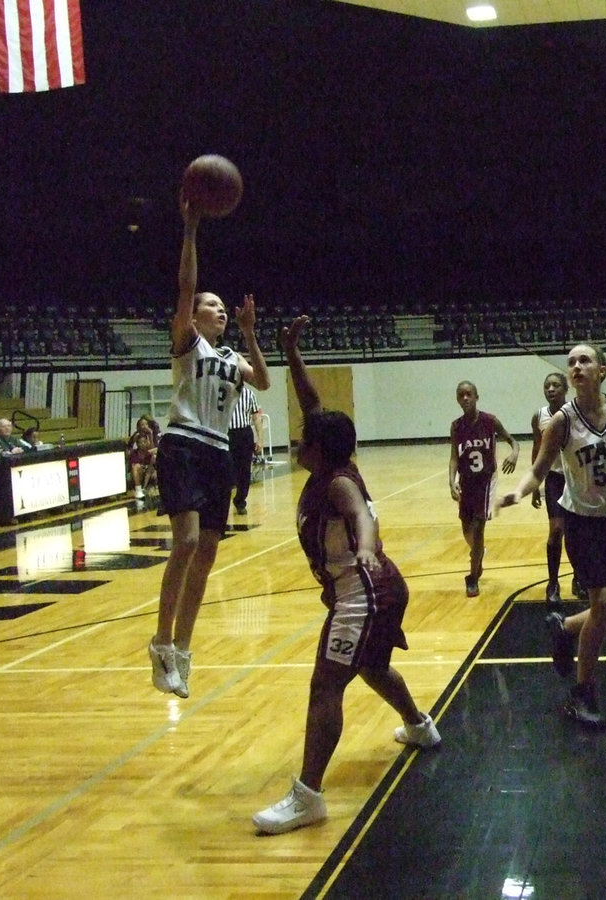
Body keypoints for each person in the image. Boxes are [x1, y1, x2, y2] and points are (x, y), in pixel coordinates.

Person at [252, 315, 440, 836]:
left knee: (325, 685)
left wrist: (365, 548)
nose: (297, 436)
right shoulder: (328, 460)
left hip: (364, 589)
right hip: (378, 587)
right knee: (372, 667)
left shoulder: (337, 482)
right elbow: (313, 401)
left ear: (318, 447)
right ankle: (420, 726)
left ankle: (307, 795)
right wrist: (291, 351)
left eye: (303, 436)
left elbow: (359, 513)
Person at [148, 194, 271, 699]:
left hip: (218, 451)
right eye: (212, 306)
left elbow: (262, 381)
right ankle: (159, 643)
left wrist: (250, 333)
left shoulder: (229, 354)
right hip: (182, 445)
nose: (219, 310)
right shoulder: (188, 342)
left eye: (223, 307)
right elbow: (185, 285)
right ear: (194, 317)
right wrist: (191, 229)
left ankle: (182, 646)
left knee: (208, 553)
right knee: (188, 543)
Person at [496, 343, 606, 728]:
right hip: (584, 523)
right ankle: (582, 694)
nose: (577, 366)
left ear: (602, 370)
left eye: (585, 360)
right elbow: (539, 468)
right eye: (571, 362)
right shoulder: (562, 421)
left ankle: (563, 628)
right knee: (604, 606)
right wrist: (517, 492)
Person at [449, 380, 519, 597]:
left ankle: (472, 577)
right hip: (467, 481)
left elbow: (512, 441)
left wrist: (514, 453)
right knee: (466, 528)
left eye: (469, 394)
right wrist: (451, 482)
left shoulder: (490, 421)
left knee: (479, 527)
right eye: (461, 395)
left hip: (486, 480)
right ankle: (477, 553)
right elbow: (453, 458)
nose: (465, 398)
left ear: (477, 397)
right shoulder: (456, 426)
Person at [530, 372, 582, 607]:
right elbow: (537, 449)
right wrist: (534, 484)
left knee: (576, 531)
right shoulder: (539, 416)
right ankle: (553, 582)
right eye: (547, 385)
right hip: (554, 478)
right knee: (556, 531)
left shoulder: (575, 412)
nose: (551, 389)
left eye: (556, 385)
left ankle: (579, 577)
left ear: (565, 389)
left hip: (576, 476)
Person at [228, 383, 262, 514]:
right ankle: (222, 502)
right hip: (227, 433)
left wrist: (260, 439)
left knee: (245, 470)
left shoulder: (249, 394)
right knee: (226, 470)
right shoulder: (223, 392)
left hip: (244, 433)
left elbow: (256, 417)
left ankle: (240, 501)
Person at [127, 415, 160, 499]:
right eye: (142, 424)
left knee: (154, 457)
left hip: (150, 469)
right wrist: (134, 440)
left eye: (146, 424)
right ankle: (138, 489)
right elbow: (129, 449)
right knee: (135, 467)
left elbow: (153, 449)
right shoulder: (136, 450)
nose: (144, 426)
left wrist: (151, 435)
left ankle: (152, 488)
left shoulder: (153, 435)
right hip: (141, 470)